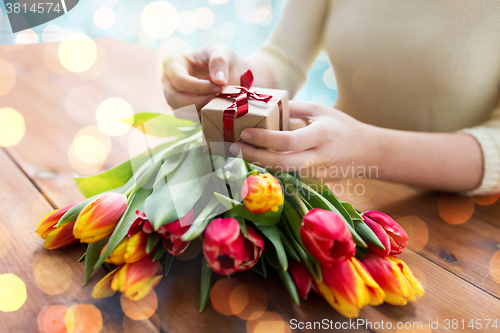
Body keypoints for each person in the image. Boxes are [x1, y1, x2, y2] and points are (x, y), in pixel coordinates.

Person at [162, 0, 500, 195]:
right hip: (335, 188)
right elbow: (284, 59)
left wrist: (372, 150)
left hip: (454, 221)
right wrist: (229, 78)